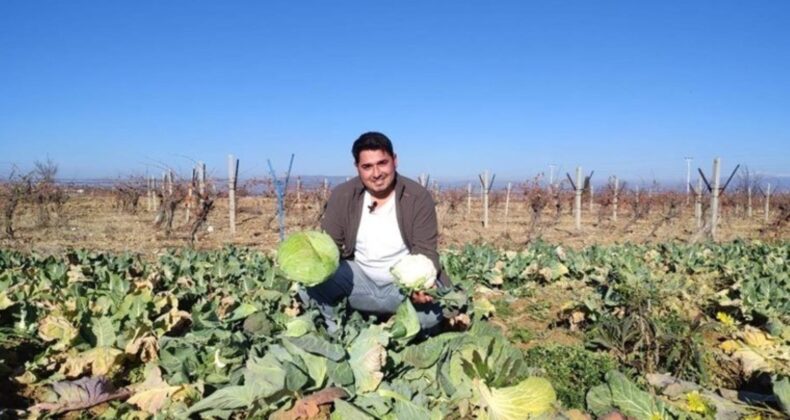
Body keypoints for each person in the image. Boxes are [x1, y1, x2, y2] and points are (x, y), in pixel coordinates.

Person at [300, 131, 451, 334]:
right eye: (367, 167)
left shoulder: (417, 197)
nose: (376, 173)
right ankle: (337, 333)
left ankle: (394, 327)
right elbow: (330, 247)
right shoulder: (343, 195)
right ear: (357, 168)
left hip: (401, 288)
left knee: (433, 316)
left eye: (382, 163)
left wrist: (421, 287)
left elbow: (426, 250)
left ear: (395, 160)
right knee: (310, 288)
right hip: (358, 281)